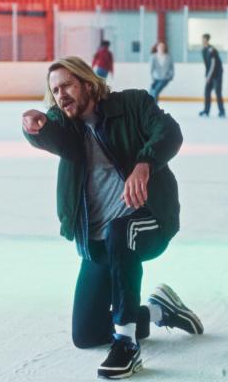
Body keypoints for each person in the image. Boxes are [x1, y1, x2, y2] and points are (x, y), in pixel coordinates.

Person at [22, 56, 203, 379]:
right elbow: (53, 136)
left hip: (148, 221)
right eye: (55, 90)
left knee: (121, 231)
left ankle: (126, 344)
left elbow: (169, 132)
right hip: (98, 242)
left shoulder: (132, 104)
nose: (61, 95)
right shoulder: (66, 124)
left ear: (88, 84)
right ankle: (161, 311)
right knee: (86, 334)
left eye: (67, 86)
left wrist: (145, 163)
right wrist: (36, 128)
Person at [199, 33, 225, 117]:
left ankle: (221, 111)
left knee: (218, 92)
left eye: (204, 39)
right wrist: (207, 75)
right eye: (202, 39)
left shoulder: (212, 50)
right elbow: (207, 64)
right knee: (207, 92)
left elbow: (213, 64)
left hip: (217, 74)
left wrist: (209, 76)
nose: (203, 41)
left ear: (207, 40)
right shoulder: (203, 50)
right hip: (210, 74)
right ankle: (206, 111)